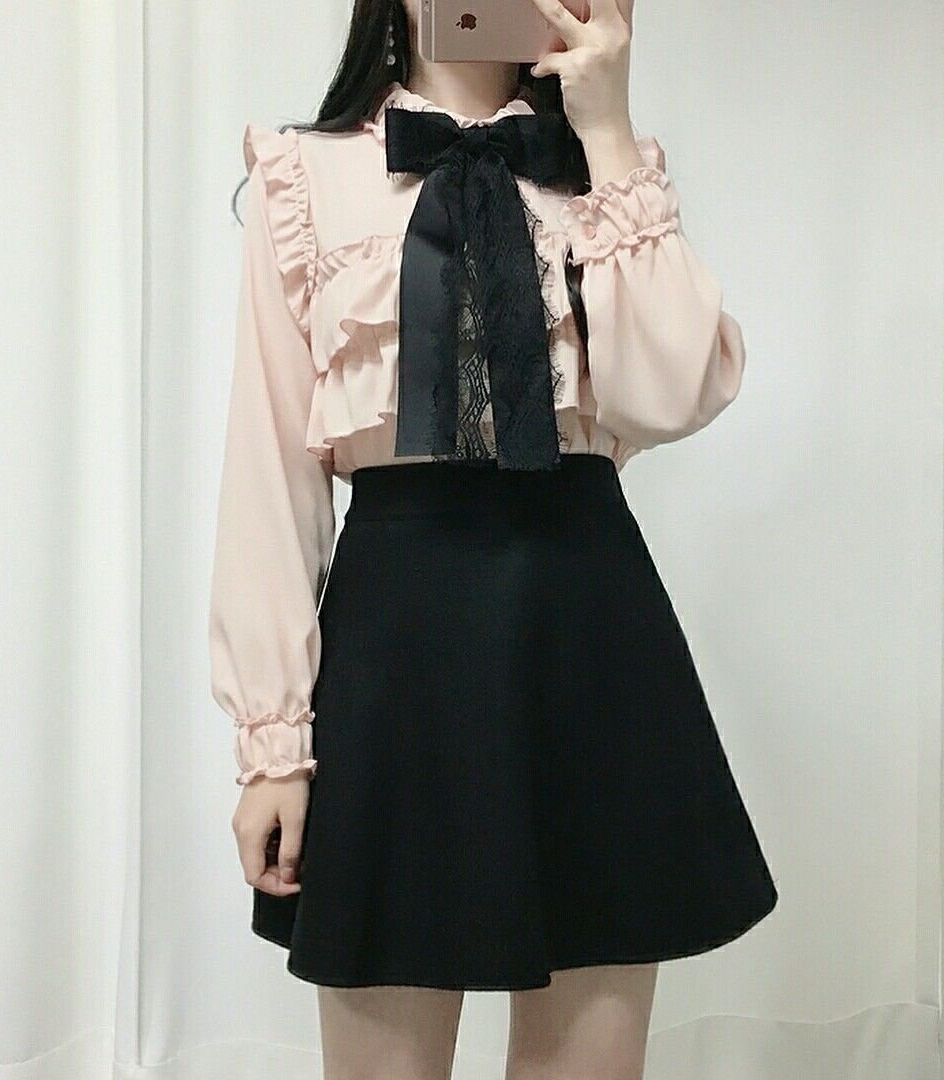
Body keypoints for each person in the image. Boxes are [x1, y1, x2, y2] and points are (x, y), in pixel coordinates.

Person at [208, 0, 778, 1075]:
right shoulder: (302, 180)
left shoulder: (609, 175)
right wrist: (272, 748)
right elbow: (270, 475)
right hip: (396, 647)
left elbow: (672, 392)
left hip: (591, 633)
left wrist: (608, 131)